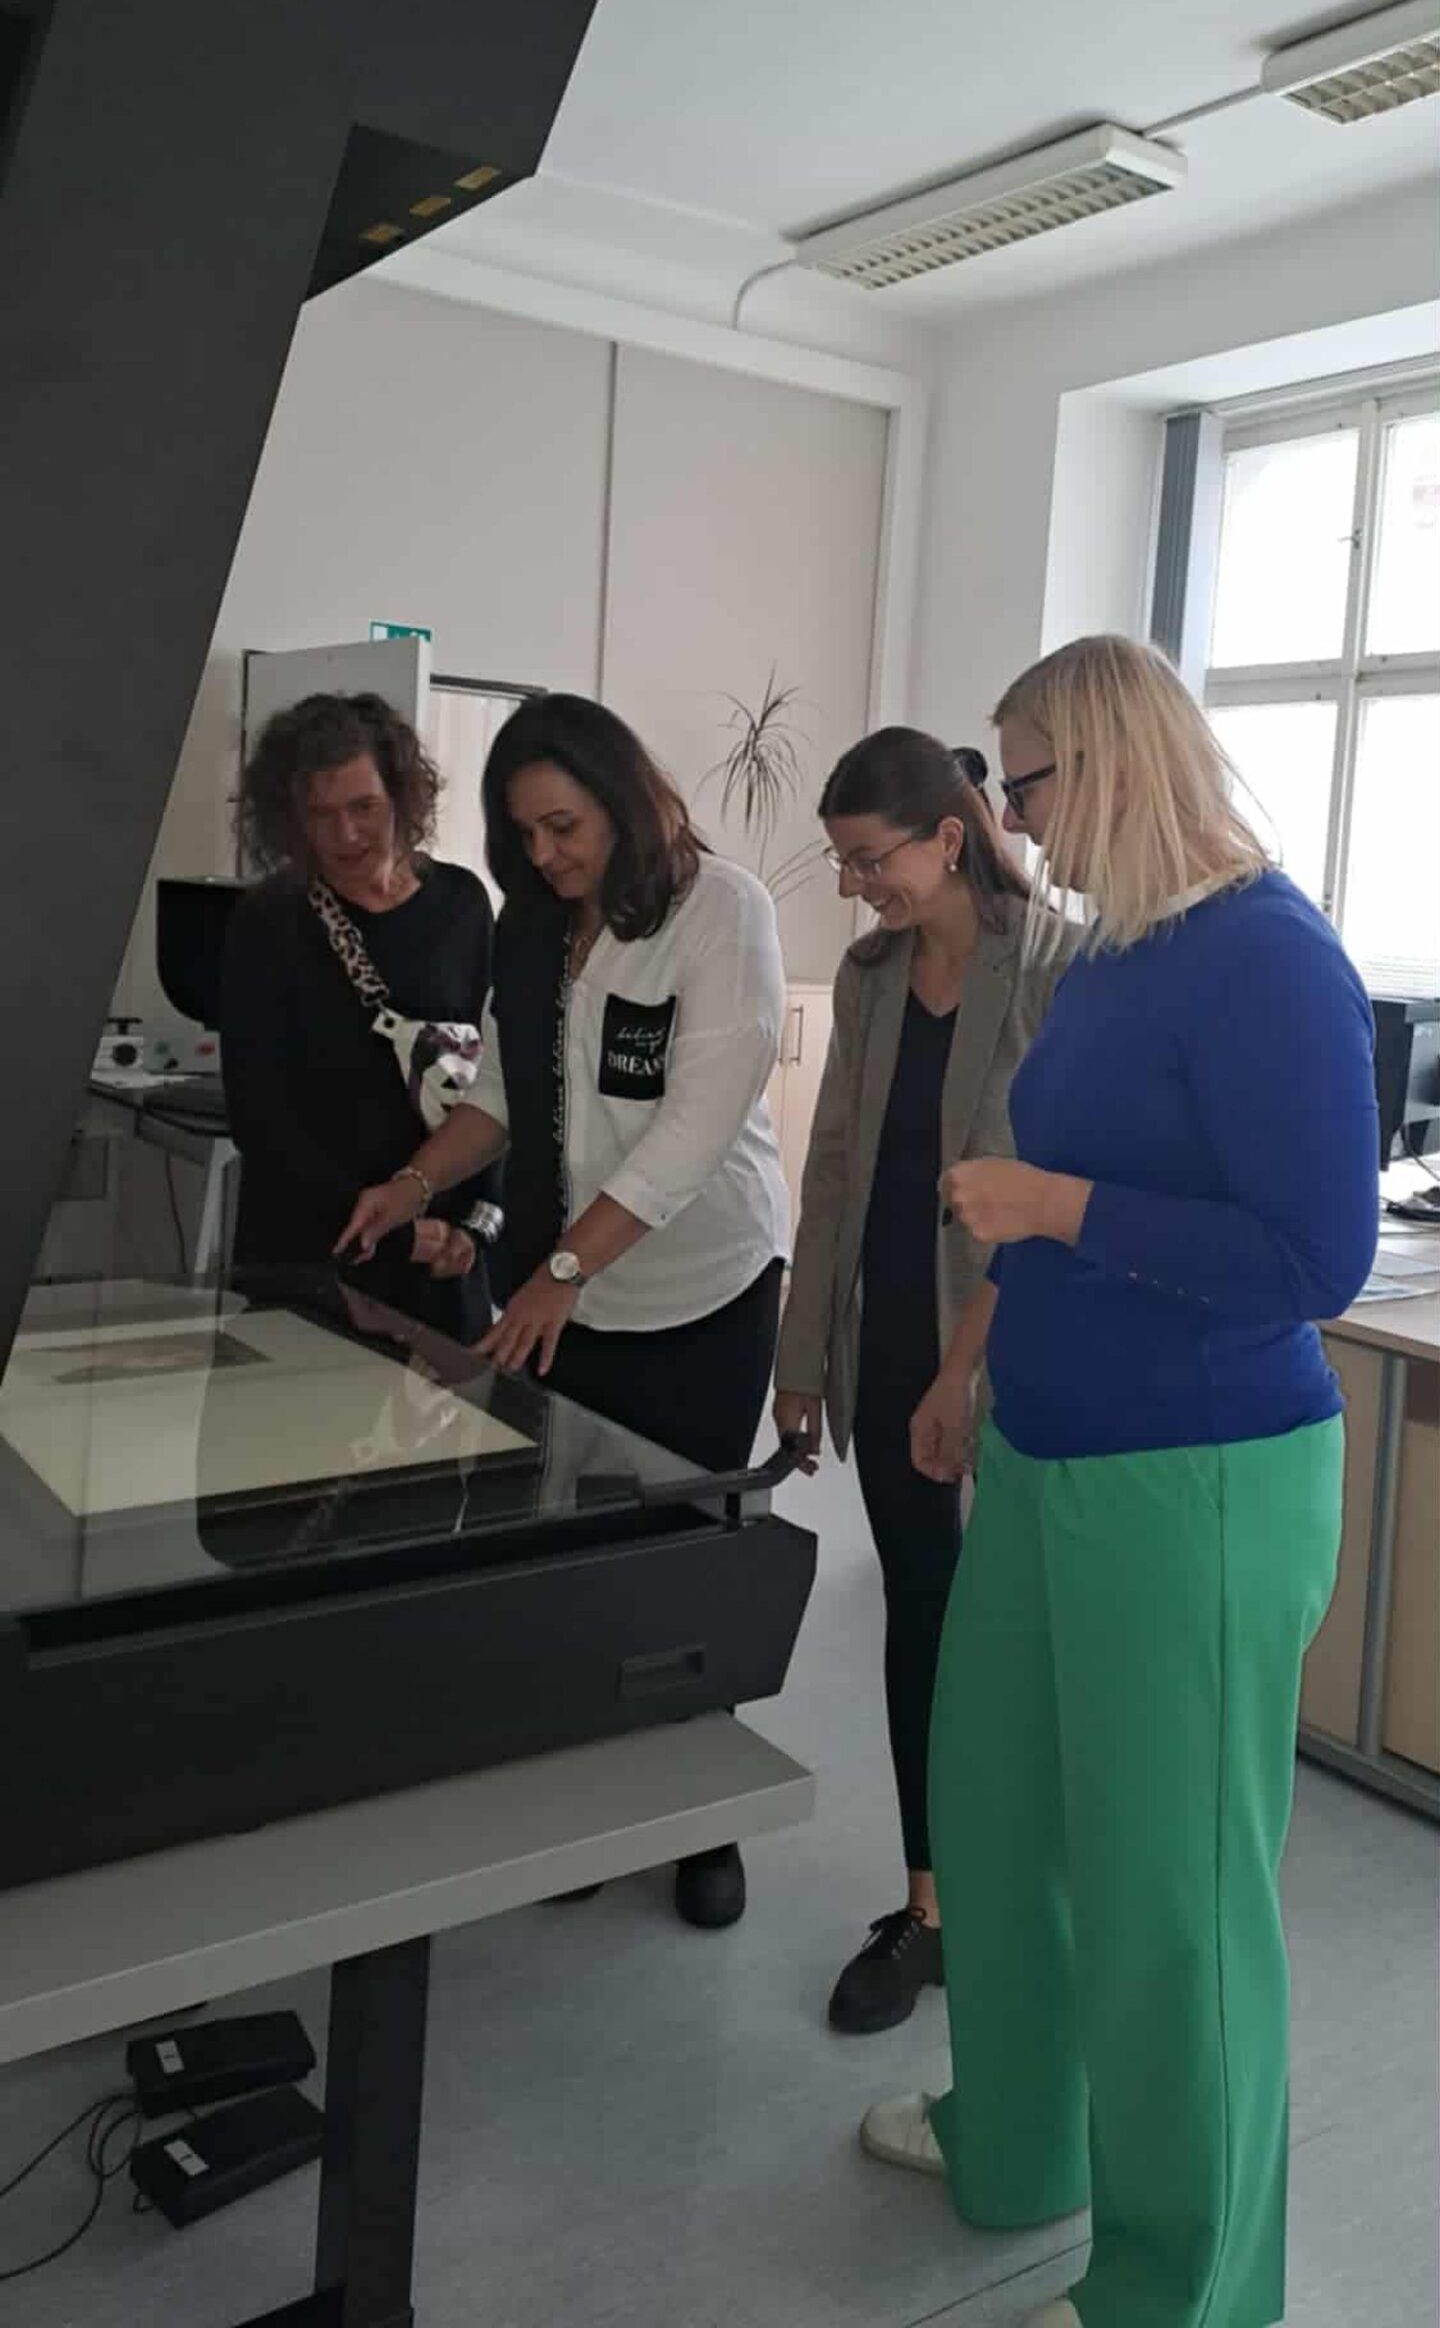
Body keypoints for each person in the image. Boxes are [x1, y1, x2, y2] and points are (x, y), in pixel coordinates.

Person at [860, 638, 1379, 2328]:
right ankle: (1019, 2141)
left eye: (1023, 783)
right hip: (1046, 1448)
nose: (1011, 821)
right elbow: (1047, 1185)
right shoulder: (1112, 951)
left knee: (1173, 1905)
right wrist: (968, 1367)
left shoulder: (1271, 956)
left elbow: (1313, 1258)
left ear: (1112, 758)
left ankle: (1183, 2290)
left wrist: (1055, 1212)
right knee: (1001, 1826)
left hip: (1200, 1480)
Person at [338, 692, 790, 1932]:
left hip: (700, 1288)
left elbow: (693, 1130)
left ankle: (702, 1816)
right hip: (569, 1288)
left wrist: (563, 1271)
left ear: (624, 803)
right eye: (524, 834)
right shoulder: (534, 926)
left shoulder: (722, 911)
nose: (543, 854)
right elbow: (497, 1092)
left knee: (690, 1548)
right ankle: (593, 1798)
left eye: (564, 827)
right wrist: (411, 1183)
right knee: (578, 1550)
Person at [773, 730, 1070, 2033]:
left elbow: (1055, 1186)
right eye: (843, 864)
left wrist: (970, 1365)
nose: (856, 887)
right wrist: (799, 1359)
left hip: (1017, 1349)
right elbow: (833, 1171)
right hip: (889, 1336)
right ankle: (929, 1909)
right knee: (923, 1617)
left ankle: (1024, 1902)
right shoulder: (872, 974)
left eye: (867, 860)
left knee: (1019, 1637)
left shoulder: (1057, 967)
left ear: (948, 839)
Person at [221, 692, 498, 1340]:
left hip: (446, 1258)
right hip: (316, 1258)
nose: (345, 834)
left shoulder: (462, 904)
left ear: (401, 795)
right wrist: (398, 1233)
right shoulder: (269, 922)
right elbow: (261, 1122)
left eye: (363, 807)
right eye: (320, 814)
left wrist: (479, 1223)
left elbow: (493, 1079)